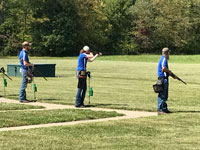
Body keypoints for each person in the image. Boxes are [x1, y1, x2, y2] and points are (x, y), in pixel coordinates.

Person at [157, 48, 177, 115]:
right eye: (168, 53)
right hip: (163, 79)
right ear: (166, 53)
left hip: (163, 78)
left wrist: (172, 75)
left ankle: (164, 108)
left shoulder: (162, 59)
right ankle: (160, 109)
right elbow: (164, 68)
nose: (169, 55)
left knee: (165, 95)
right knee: (162, 94)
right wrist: (170, 72)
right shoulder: (164, 59)